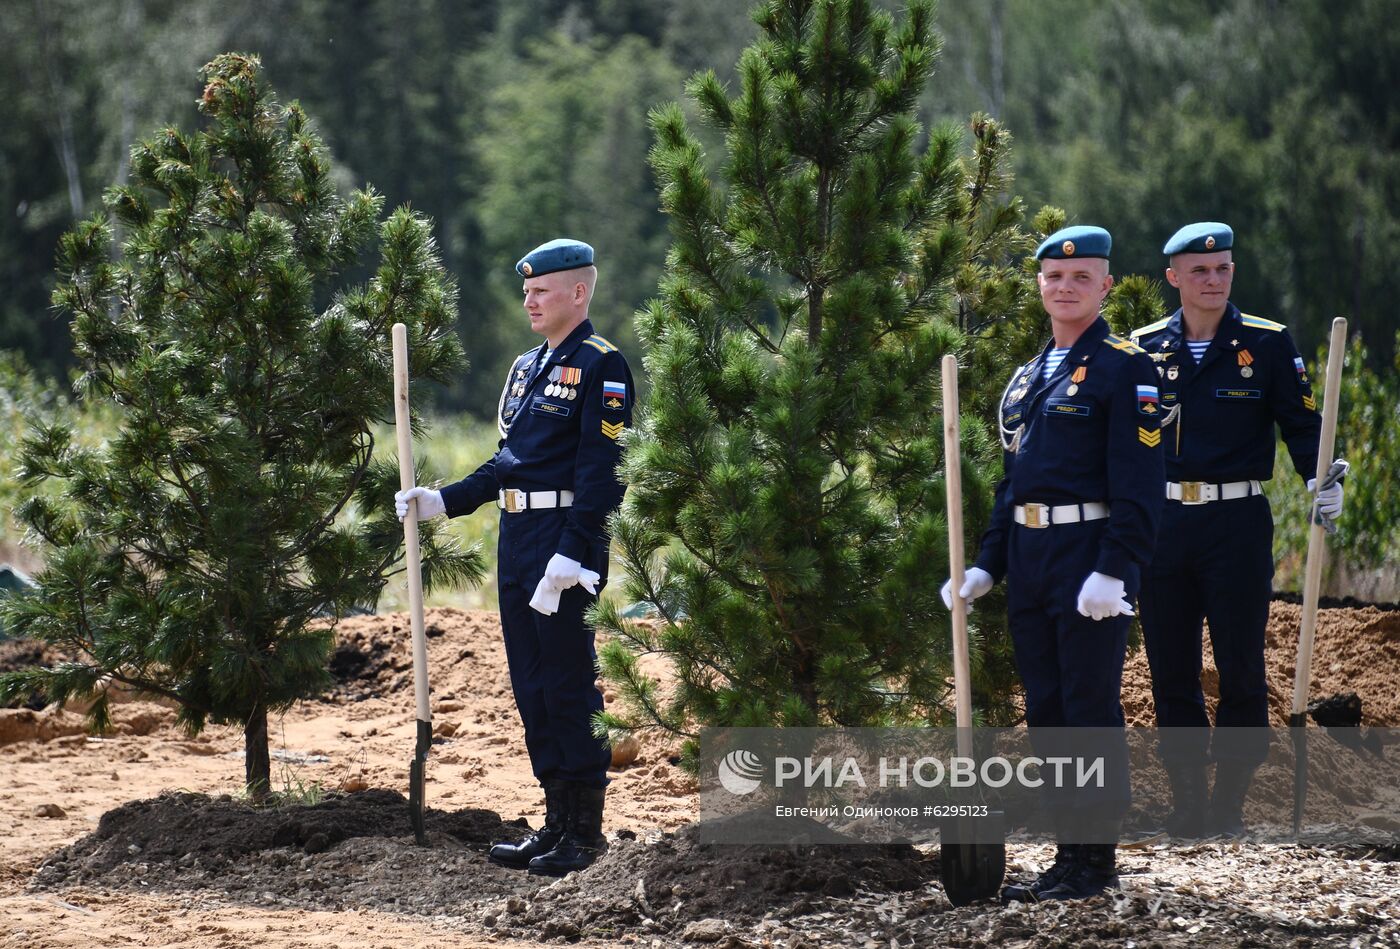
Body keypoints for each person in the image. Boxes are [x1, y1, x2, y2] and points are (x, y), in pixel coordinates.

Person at [396, 238, 634, 875]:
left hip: (564, 539)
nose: (528, 299)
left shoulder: (601, 366)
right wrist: (444, 501)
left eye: (541, 291)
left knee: (567, 683)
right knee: (531, 685)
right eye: (525, 291)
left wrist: (577, 551)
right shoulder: (530, 366)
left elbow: (604, 470)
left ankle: (586, 833)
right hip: (518, 538)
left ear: (578, 293)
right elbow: (509, 463)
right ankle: (554, 822)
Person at [942, 225, 1164, 901]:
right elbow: (1014, 485)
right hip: (1032, 558)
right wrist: (986, 564)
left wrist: (1116, 566)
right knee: (1046, 711)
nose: (1065, 288)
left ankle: (1095, 863)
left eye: (1080, 277)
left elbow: (1141, 480)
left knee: (1088, 709)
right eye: (1053, 278)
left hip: (1087, 557)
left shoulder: (1128, 367)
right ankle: (1068, 857)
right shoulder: (1029, 376)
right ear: (1040, 286)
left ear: (1106, 286)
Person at [1129, 222, 1343, 838]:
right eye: (1200, 271)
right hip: (1163, 523)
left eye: (1223, 268)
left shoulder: (1268, 344)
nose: (1215, 279)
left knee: (1242, 669)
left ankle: (1230, 804)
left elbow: (1304, 428)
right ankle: (1188, 802)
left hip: (1237, 522)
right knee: (1171, 669)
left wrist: (1321, 479)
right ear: (1173, 279)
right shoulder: (1142, 349)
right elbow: (1119, 437)